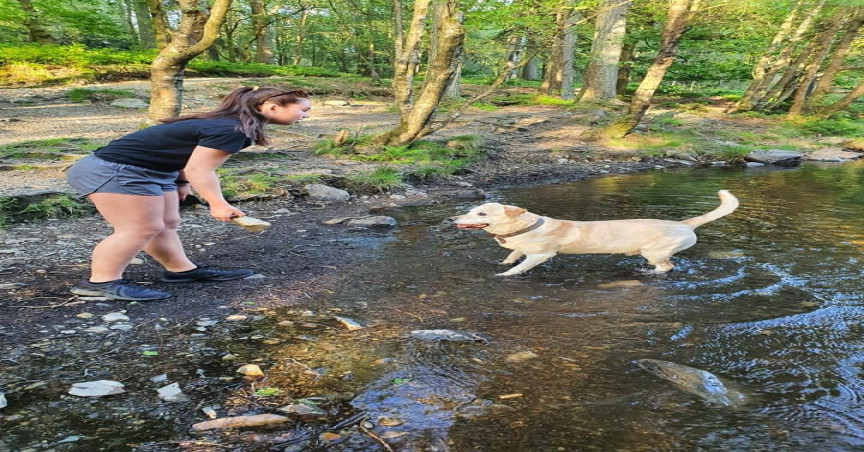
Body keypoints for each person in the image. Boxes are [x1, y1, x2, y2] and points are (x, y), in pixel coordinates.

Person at [65, 86, 311, 301]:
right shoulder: (233, 129)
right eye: (303, 110)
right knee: (139, 228)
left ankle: (181, 271)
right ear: (272, 107)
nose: (306, 115)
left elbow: (187, 157)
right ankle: (100, 282)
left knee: (167, 223)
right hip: (116, 171)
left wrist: (182, 182)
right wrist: (218, 204)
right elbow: (200, 168)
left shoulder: (233, 125)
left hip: (155, 171)